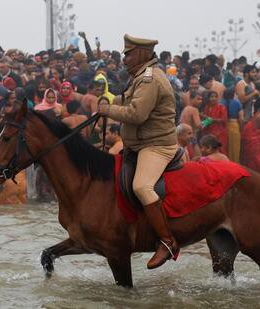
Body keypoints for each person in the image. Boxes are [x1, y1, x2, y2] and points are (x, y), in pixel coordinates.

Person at [98, 34, 179, 269]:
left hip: (156, 145)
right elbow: (128, 99)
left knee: (141, 186)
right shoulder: (140, 77)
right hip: (138, 145)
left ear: (142, 54)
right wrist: (109, 102)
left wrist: (108, 110)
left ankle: (166, 241)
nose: (124, 59)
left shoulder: (149, 79)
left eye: (129, 54)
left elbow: (137, 113)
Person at [221, 88, 244, 163]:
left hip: (222, 127)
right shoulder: (237, 103)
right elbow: (241, 118)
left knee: (224, 148)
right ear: (233, 94)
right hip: (234, 126)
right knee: (234, 149)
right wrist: (241, 129)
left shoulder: (220, 103)